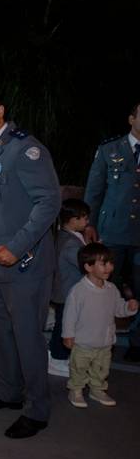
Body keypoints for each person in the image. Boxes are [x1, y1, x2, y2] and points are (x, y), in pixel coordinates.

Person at [0, 90, 60, 439]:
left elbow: (49, 202)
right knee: (0, 335)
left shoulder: (25, 149)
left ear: (1, 111)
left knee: (27, 338)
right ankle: (8, 391)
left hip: (24, 266)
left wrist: (18, 248)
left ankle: (37, 410)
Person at [83, 101, 140, 362]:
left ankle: (137, 342)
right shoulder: (109, 149)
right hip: (112, 232)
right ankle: (101, 340)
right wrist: (89, 224)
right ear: (132, 119)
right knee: (104, 287)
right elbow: (94, 190)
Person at [63, 243, 138, 408]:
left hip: (105, 342)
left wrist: (129, 307)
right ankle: (76, 390)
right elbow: (69, 315)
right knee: (79, 368)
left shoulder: (111, 289)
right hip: (83, 342)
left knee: (101, 370)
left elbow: (118, 309)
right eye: (103, 264)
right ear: (88, 267)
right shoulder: (79, 291)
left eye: (110, 263)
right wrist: (68, 335)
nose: (109, 267)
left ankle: (97, 389)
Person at [49, 199, 90, 377]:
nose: (87, 221)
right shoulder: (70, 243)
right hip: (68, 293)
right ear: (73, 220)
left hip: (64, 292)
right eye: (84, 218)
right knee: (64, 327)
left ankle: (60, 355)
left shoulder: (65, 236)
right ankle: (56, 358)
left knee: (65, 324)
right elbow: (84, 264)